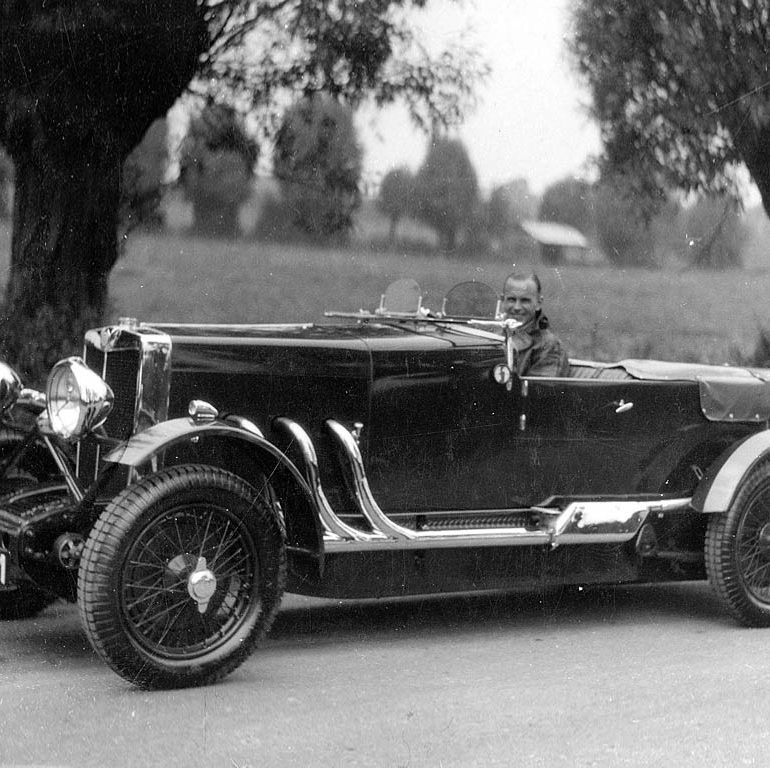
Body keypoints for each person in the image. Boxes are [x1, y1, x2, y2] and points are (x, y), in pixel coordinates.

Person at [501, 271, 569, 377]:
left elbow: (540, 390)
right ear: (502, 300)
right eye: (511, 299)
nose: (517, 307)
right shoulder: (491, 335)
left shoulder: (548, 345)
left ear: (538, 303)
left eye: (525, 301)